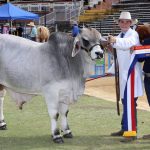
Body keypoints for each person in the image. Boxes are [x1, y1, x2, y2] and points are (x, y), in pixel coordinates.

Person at [107, 12, 143, 140]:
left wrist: (114, 41)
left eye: (126, 22)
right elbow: (117, 51)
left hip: (132, 74)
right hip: (123, 74)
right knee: (125, 101)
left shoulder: (133, 34)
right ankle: (125, 127)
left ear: (130, 23)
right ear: (119, 23)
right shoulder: (119, 35)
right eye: (121, 21)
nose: (124, 23)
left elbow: (128, 43)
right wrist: (109, 45)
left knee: (130, 102)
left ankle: (132, 131)